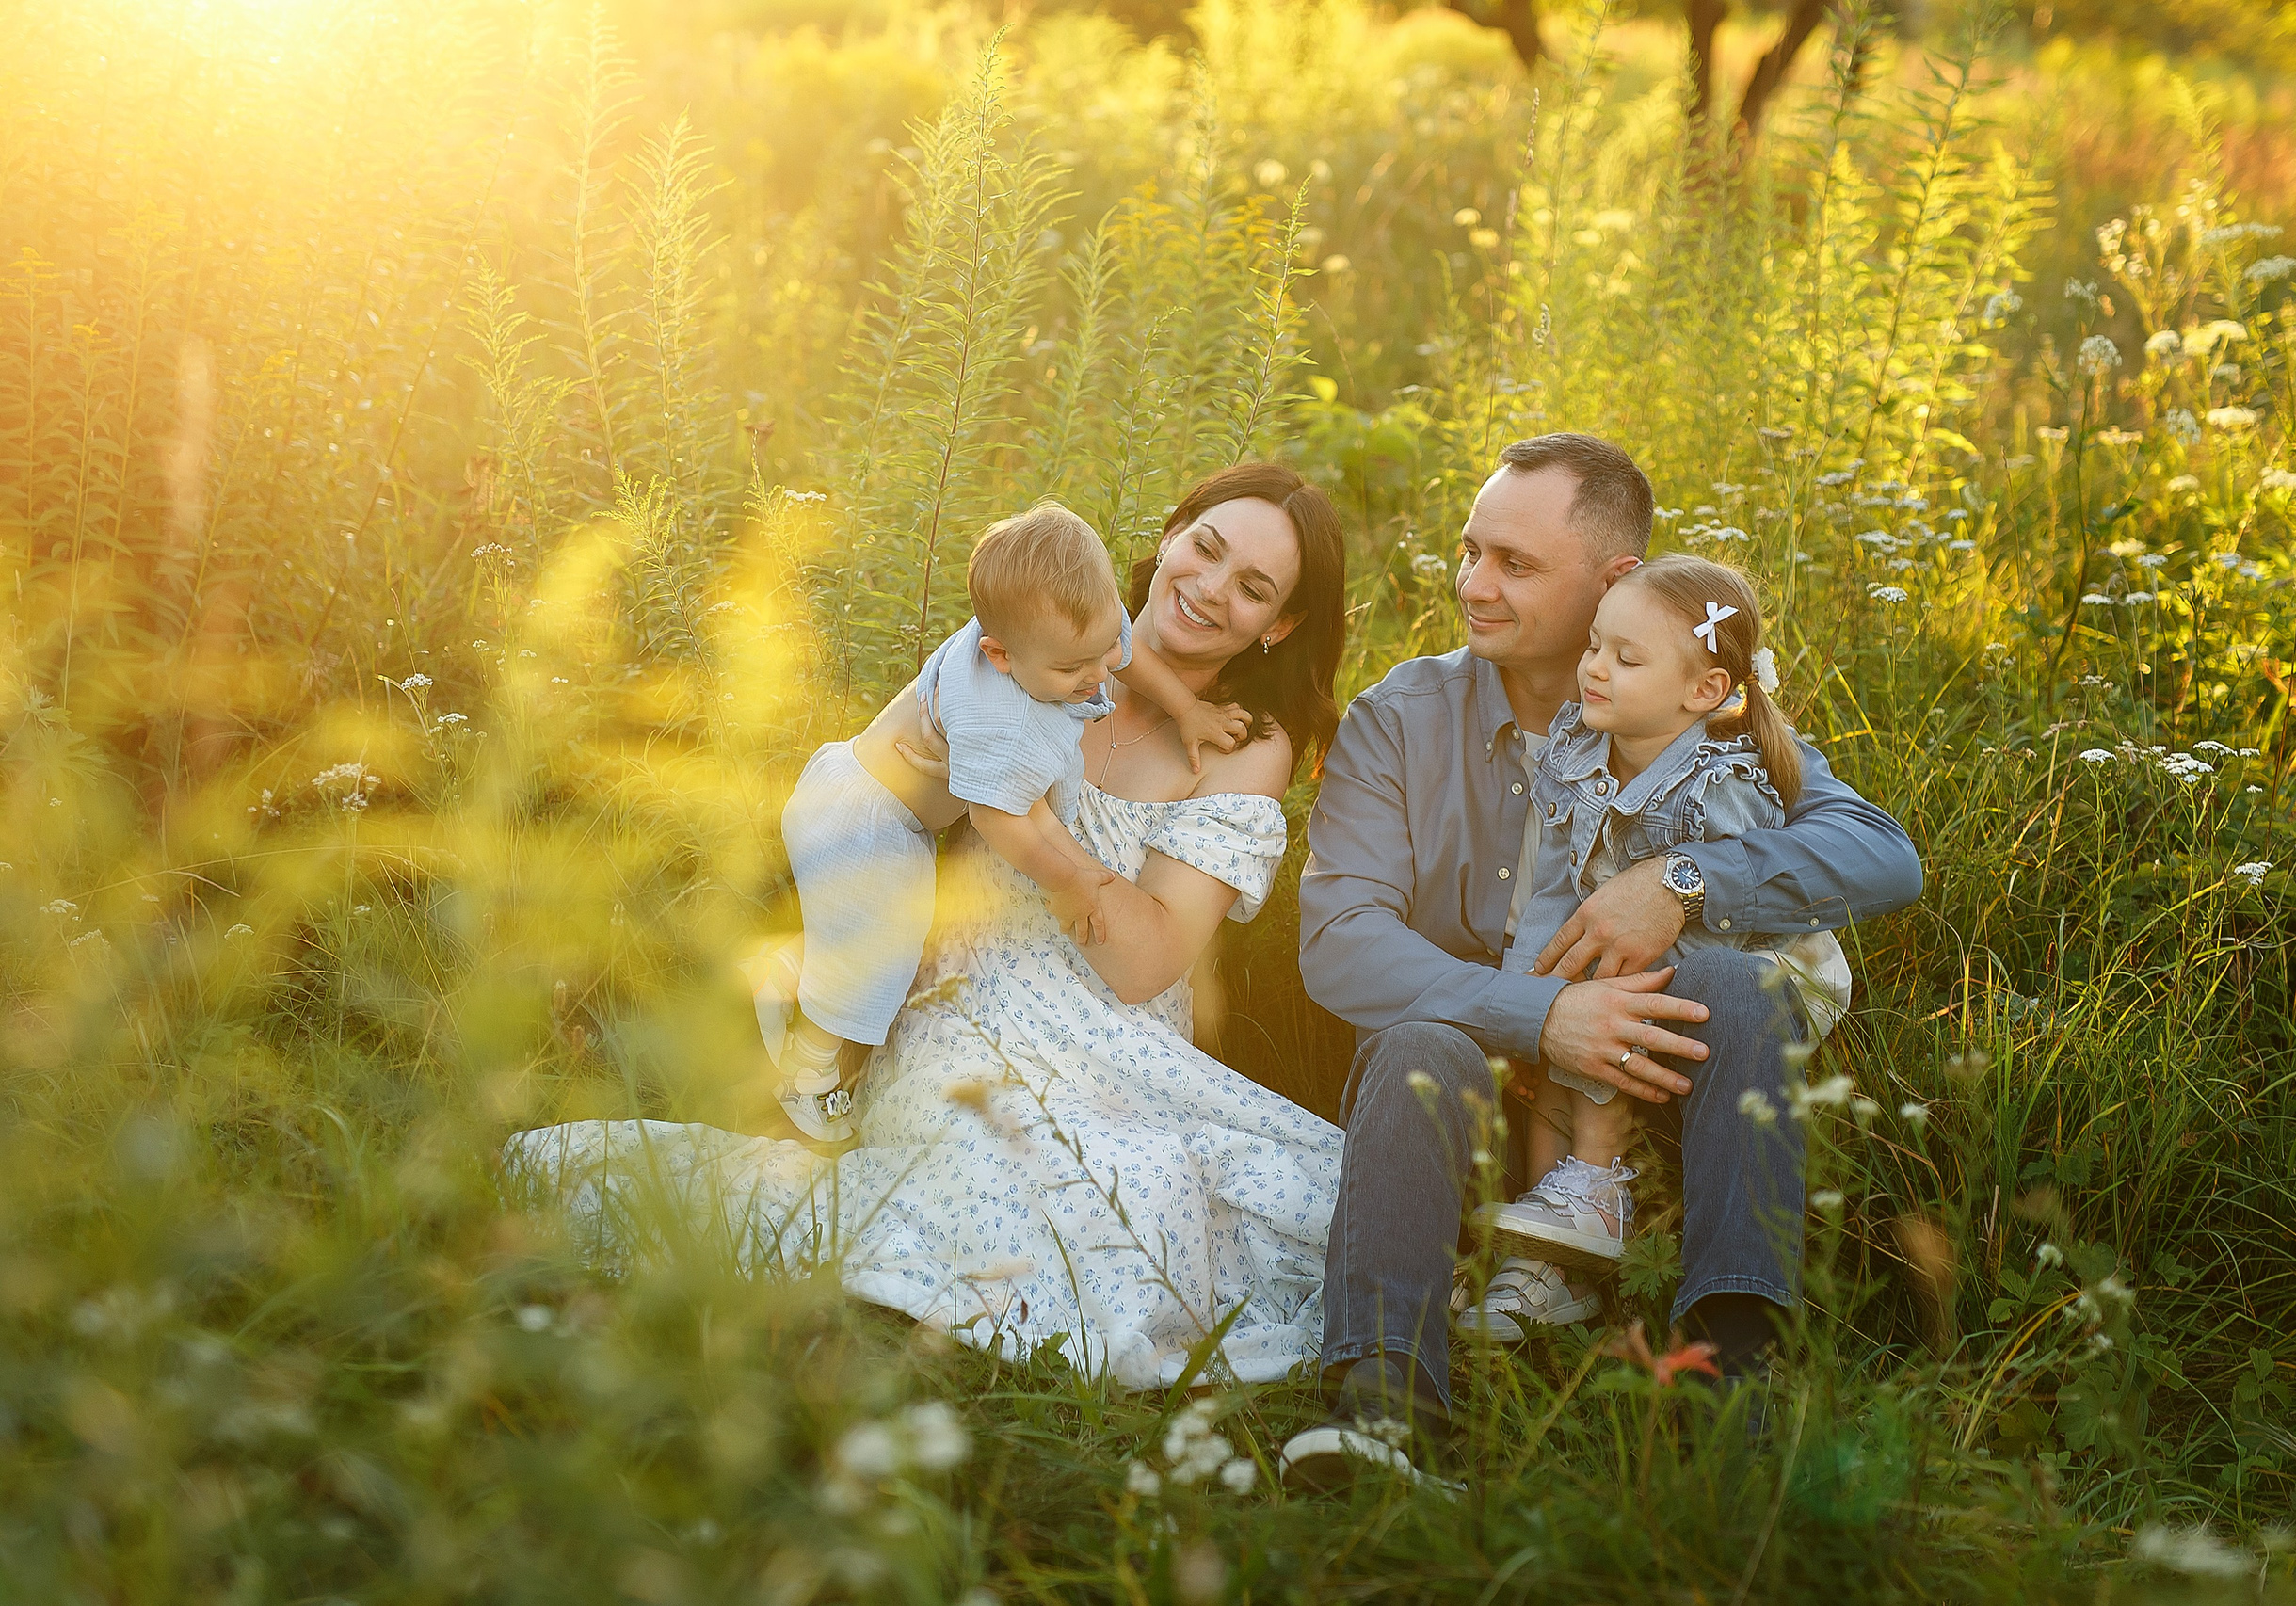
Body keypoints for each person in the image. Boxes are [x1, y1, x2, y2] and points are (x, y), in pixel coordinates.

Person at [506, 464, 1355, 1390]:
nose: (1211, 588)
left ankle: (978, 1296)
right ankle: (876, 1190)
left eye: (1253, 588)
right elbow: (886, 801)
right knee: (993, 1145)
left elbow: (1145, 962)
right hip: (966, 995)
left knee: (1144, 1186)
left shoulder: (1244, 742)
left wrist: (1035, 830)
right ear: (1170, 535)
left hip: (1118, 1037)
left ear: (1279, 626)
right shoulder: (1039, 637)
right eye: (1206, 547)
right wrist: (968, 779)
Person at [1278, 433, 1920, 1489]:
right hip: (1462, 1093)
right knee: (1413, 1044)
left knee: (1742, 983)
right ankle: (1383, 1410)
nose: (1472, 585)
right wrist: (1539, 1016)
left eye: (1514, 564)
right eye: (1470, 550)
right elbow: (1341, 941)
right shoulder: (1398, 721)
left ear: (1614, 577)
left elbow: (1882, 857)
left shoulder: (1698, 721)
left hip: (1655, 1085)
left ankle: (1732, 1388)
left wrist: (1680, 882)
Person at [763, 502, 1247, 1143]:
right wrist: (1065, 882)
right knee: (877, 961)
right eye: (1072, 670)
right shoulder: (1003, 719)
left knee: (886, 942)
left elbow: (1126, 656)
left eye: (1104, 650)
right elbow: (1002, 822)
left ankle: (808, 962)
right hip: (865, 824)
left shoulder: (1060, 630)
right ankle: (807, 1070)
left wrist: (1187, 709)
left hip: (885, 811)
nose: (1098, 676)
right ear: (998, 655)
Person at [1462, 554, 1854, 1342]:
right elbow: (1558, 888)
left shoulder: (1723, 785)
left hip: (1755, 970)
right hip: (1638, 959)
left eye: (1626, 659)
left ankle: (1602, 1189)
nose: (1595, 669)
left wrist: (1596, 995)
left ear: (1704, 690)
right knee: (1557, 1031)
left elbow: (1722, 928)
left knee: (1601, 1006)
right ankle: (1555, 1242)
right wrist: (1534, 998)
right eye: (1594, 646)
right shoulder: (1583, 752)